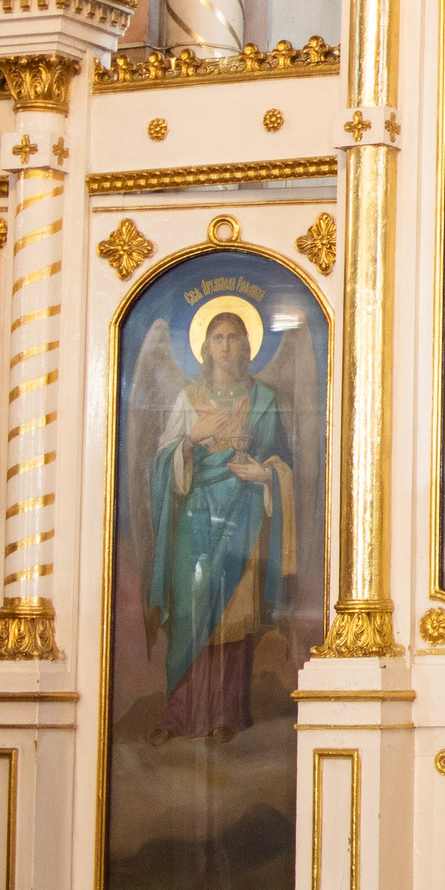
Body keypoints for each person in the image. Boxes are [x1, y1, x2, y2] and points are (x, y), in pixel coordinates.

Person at [146, 305, 296, 744]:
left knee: (235, 614)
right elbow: (160, 462)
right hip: (196, 519)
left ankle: (228, 713)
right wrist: (191, 441)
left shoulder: (265, 400)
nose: (227, 346)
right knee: (193, 610)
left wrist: (267, 474)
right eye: (218, 338)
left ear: (248, 346)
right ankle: (179, 712)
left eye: (234, 337)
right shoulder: (187, 399)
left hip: (246, 514)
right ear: (205, 349)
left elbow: (285, 460)